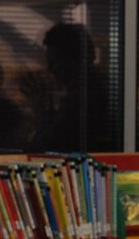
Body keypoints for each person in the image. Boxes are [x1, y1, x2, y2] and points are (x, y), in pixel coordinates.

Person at [32, 22, 114, 152]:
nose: (50, 68)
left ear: (74, 60)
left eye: (55, 61)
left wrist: (39, 109)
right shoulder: (89, 88)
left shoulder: (84, 96)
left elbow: (50, 144)